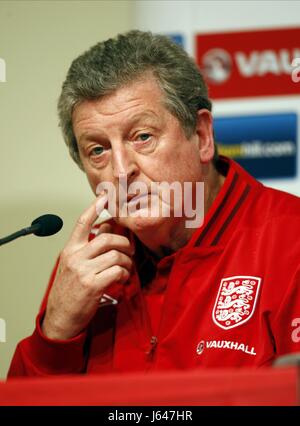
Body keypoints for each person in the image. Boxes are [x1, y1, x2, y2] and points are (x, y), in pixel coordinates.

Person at [8, 31, 300, 377]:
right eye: (98, 150)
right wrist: (55, 333)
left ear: (202, 136)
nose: (120, 171)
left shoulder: (290, 241)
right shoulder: (85, 266)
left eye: (142, 136)